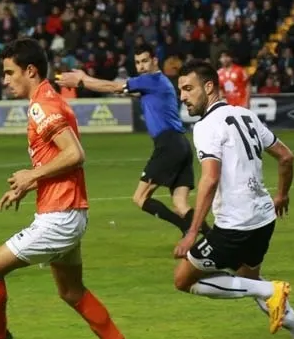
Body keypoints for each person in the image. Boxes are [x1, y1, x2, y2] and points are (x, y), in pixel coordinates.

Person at [0, 38, 149, 339]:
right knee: (71, 291)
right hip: (67, 211)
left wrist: (31, 174)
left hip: (59, 218)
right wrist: (31, 184)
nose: (5, 80)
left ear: (30, 70)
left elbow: (75, 154)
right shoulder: (48, 100)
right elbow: (61, 161)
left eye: (10, 72)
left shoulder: (42, 106)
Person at [172, 60, 294, 339]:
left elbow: (210, 178)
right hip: (264, 218)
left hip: (235, 224)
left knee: (183, 279)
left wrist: (192, 232)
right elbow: (286, 157)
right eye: (180, 90)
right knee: (247, 279)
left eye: (188, 88)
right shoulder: (245, 115)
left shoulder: (206, 126)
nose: (183, 96)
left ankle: (272, 290)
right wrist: (281, 195)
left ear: (209, 87)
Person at [56, 43, 207, 236]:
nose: (141, 66)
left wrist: (82, 80)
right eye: (137, 62)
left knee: (140, 197)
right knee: (180, 205)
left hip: (168, 144)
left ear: (154, 61)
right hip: (181, 144)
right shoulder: (157, 84)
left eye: (145, 61)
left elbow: (113, 86)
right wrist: (85, 79)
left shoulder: (151, 80)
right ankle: (212, 241)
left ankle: (186, 228)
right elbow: (122, 90)